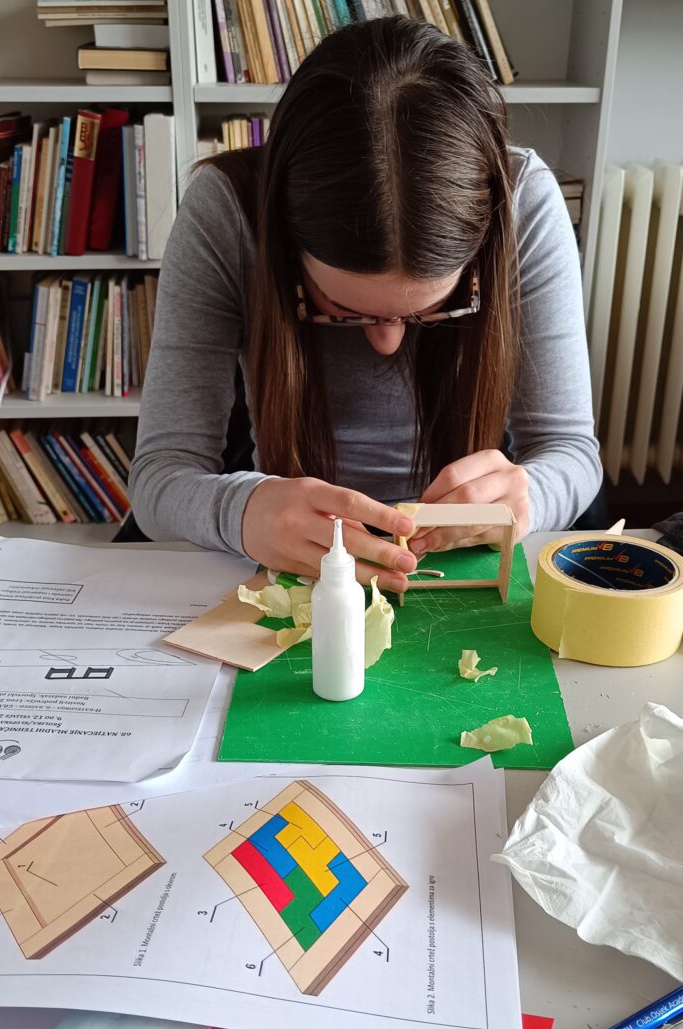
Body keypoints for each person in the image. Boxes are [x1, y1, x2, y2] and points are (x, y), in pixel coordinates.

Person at [130, 16, 602, 595]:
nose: (388, 343)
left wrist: (531, 496)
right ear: (287, 241)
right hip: (292, 564)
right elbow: (159, 478)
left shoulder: (523, 202)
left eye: (432, 310)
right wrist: (244, 510)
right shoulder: (229, 211)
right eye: (343, 310)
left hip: (464, 565)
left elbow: (571, 452)